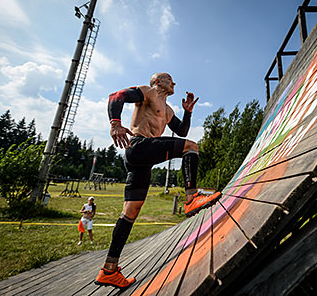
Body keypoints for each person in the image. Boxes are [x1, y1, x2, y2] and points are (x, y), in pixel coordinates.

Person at [94, 72, 222, 289]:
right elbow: (116, 96)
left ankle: (109, 270)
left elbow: (181, 130)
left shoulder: (168, 110)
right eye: (170, 79)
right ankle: (191, 197)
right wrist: (115, 123)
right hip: (138, 146)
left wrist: (188, 112)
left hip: (143, 161)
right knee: (191, 147)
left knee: (131, 211)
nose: (174, 83)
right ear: (158, 81)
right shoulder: (148, 92)